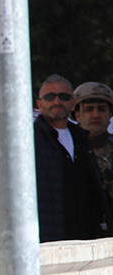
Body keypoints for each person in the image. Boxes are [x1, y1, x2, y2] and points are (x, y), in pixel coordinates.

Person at [33, 74, 109, 242]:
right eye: (50, 97)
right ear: (39, 104)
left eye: (64, 96)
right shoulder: (29, 140)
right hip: (49, 241)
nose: (57, 102)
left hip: (88, 240)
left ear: (73, 103)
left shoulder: (81, 137)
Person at [74, 81, 113, 211]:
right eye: (89, 109)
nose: (96, 115)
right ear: (77, 115)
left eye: (102, 109)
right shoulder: (65, 149)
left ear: (110, 115)